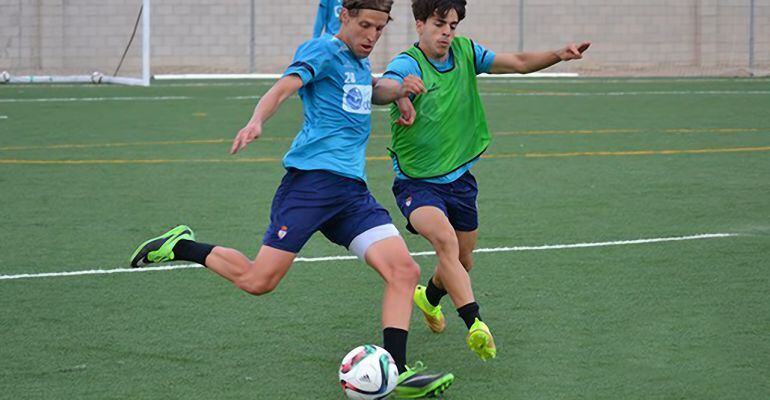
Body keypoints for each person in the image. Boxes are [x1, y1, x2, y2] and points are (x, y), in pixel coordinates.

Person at [130, 1, 454, 397]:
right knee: (258, 280)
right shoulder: (321, 51)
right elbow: (284, 86)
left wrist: (400, 91)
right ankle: (180, 245)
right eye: (365, 26)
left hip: (351, 194)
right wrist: (257, 120)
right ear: (345, 17)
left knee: (404, 271)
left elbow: (369, 89)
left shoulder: (358, 60)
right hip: (310, 187)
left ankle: (398, 371)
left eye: (380, 29)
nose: (371, 37)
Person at [374, 0, 590, 362]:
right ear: (420, 24)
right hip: (417, 184)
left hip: (460, 180)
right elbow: (381, 89)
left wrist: (558, 54)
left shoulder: (465, 52)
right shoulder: (407, 63)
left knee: (463, 260)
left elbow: (518, 64)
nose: (447, 32)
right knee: (443, 240)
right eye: (440, 23)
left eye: (453, 25)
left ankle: (428, 298)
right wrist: (398, 92)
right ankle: (474, 322)